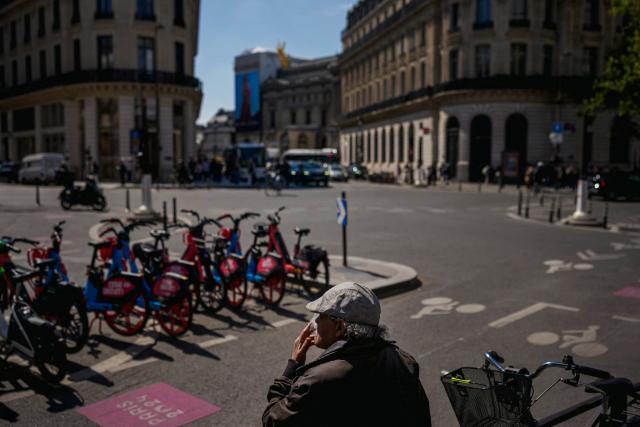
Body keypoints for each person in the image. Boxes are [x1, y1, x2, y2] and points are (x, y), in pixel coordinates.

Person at [263, 282, 431, 427]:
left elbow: (273, 420)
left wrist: (292, 367)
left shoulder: (318, 380)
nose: (314, 323)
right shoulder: (402, 360)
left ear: (340, 327)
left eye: (320, 316)